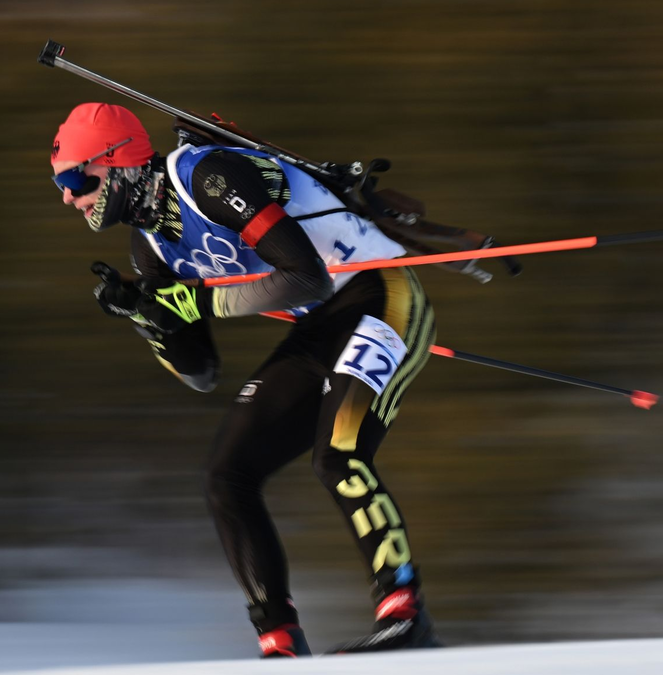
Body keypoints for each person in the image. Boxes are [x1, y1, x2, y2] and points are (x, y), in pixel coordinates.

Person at [49, 102, 441, 657]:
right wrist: (150, 320)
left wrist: (195, 300)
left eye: (74, 177)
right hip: (321, 328)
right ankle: (279, 642)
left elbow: (303, 276)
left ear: (117, 164)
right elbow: (201, 371)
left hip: (382, 295)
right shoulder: (149, 247)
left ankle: (405, 614)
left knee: (338, 453)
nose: (68, 195)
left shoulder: (205, 176)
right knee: (226, 474)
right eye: (59, 184)